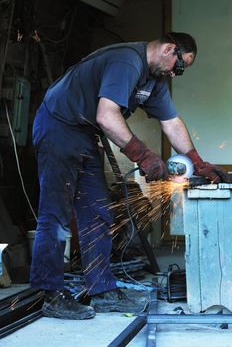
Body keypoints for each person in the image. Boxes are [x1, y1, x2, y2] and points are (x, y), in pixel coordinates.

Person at [30, 32, 230, 320]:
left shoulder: (155, 81)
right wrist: (143, 154)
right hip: (58, 126)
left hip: (85, 135)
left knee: (99, 211)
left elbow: (171, 122)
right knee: (57, 213)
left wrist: (197, 163)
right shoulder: (127, 61)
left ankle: (102, 291)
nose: (177, 73)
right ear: (169, 48)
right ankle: (50, 294)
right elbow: (106, 115)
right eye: (180, 65)